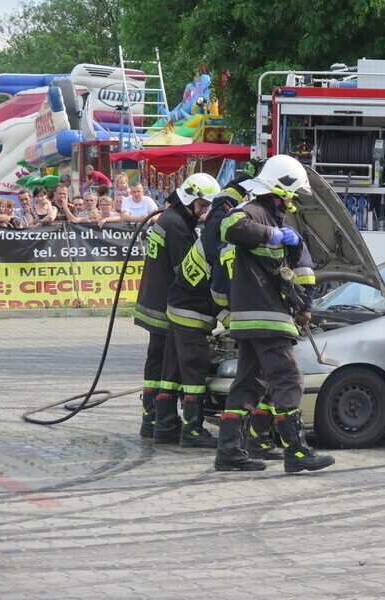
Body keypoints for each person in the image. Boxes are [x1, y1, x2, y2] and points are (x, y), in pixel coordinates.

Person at [218, 154, 334, 474]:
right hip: (265, 313)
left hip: (253, 315)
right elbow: (229, 225)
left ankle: (228, 452)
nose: (293, 202)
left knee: (248, 384)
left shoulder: (274, 219)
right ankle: (296, 452)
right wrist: (272, 235)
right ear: (279, 189)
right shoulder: (254, 211)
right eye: (292, 195)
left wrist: (292, 241)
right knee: (289, 378)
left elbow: (284, 264)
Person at [159, 175, 246, 450]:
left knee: (171, 372)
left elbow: (221, 201)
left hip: (177, 305)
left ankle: (164, 427)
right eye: (201, 204)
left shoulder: (215, 222)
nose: (205, 209)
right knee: (194, 371)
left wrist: (243, 180)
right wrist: (237, 323)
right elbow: (219, 294)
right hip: (191, 312)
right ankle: (192, 430)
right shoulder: (222, 244)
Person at [134, 173, 221, 442]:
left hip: (152, 300)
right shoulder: (177, 226)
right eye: (202, 206)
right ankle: (160, 420)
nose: (204, 212)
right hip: (165, 306)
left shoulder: (169, 218)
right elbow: (186, 272)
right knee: (164, 366)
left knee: (157, 363)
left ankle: (153, 421)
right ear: (190, 198)